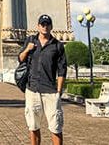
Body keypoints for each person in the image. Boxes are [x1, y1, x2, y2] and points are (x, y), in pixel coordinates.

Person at [19, 14, 67, 145]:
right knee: (33, 126)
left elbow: (62, 70)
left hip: (50, 91)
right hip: (32, 89)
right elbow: (20, 59)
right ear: (38, 26)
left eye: (47, 24)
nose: (45, 27)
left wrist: (58, 91)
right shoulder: (30, 41)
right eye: (42, 24)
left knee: (55, 126)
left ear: (51, 27)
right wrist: (28, 49)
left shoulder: (57, 45)